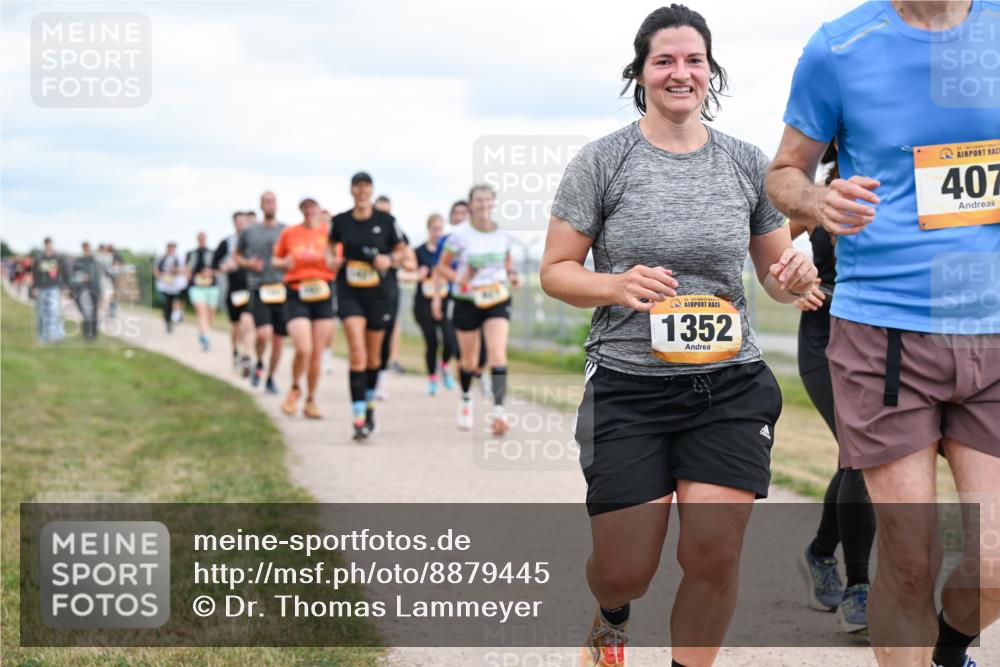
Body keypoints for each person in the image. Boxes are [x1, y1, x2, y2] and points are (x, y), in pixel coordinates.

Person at [539, 6, 818, 666]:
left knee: (713, 552)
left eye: (693, 59)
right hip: (629, 387)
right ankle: (611, 616)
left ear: (711, 72)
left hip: (729, 385)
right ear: (639, 73)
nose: (679, 72)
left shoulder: (746, 163)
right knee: (624, 568)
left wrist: (794, 271)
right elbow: (555, 271)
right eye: (664, 60)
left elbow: (776, 279)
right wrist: (614, 285)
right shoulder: (603, 161)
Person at [766, 2, 999, 665]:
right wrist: (814, 201)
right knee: (907, 559)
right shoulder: (840, 47)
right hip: (883, 330)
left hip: (993, 329)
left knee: (994, 564)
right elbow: (784, 171)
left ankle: (949, 649)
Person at [790, 144, 875, 635]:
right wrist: (793, 281)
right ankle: (858, 587)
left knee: (859, 456)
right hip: (825, 340)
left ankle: (821, 551)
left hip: (879, 339)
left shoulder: (903, 182)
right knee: (860, 456)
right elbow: (770, 241)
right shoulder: (820, 195)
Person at [329, 172, 413, 440]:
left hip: (379, 293)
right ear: (352, 190)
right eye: (358, 187)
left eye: (367, 187)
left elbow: (403, 252)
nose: (362, 192)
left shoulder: (385, 221)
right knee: (357, 350)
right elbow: (329, 246)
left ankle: (369, 407)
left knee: (375, 355)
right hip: (349, 290)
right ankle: (357, 416)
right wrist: (333, 260)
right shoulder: (340, 221)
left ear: (372, 190)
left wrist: (389, 259)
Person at [434, 184, 519, 435]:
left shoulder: (503, 234)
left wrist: (512, 274)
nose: (483, 205)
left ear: (493, 204)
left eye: (488, 200)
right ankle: (466, 399)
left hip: (496, 298)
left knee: (497, 354)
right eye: (479, 200)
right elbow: (441, 267)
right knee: (469, 361)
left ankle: (500, 413)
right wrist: (458, 278)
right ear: (471, 204)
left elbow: (507, 259)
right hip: (467, 301)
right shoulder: (459, 234)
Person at [272, 198, 336, 419]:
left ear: (319, 210)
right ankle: (295, 387)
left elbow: (338, 260)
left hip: (323, 292)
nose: (309, 211)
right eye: (305, 208)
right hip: (296, 292)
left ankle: (311, 400)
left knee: (317, 353)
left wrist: (335, 263)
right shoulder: (290, 233)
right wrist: (284, 264)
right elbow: (275, 260)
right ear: (301, 210)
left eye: (313, 207)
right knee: (304, 348)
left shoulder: (329, 233)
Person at [434, 199, 492, 400]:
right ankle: (465, 394)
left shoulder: (482, 238)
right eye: (455, 213)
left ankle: (480, 371)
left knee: (484, 349)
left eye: (463, 213)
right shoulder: (446, 241)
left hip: (482, 298)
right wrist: (436, 298)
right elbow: (438, 270)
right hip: (456, 298)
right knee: (457, 346)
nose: (459, 216)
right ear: (451, 217)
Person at [235, 191, 287, 394]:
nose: (270, 205)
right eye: (266, 202)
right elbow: (237, 255)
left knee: (278, 339)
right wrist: (248, 263)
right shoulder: (250, 232)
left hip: (281, 289)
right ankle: (259, 363)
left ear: (277, 204)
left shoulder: (286, 231)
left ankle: (271, 378)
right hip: (259, 288)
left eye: (273, 201)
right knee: (263, 333)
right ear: (261, 205)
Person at [373, 194, 414, 398]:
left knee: (386, 333)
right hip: (365, 290)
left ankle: (380, 380)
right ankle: (366, 377)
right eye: (379, 211)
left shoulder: (398, 234)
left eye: (386, 212)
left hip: (389, 289)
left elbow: (410, 261)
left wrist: (393, 261)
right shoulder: (364, 230)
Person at [413, 213, 457, 395]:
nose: (438, 233)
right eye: (434, 229)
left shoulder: (447, 252)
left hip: (445, 300)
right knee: (431, 342)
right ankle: (432, 378)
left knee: (450, 340)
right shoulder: (419, 252)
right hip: (424, 302)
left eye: (441, 229)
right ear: (428, 229)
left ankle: (444, 365)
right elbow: (411, 272)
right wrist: (419, 273)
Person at [213, 211, 256, 375]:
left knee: (248, 322)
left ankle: (247, 356)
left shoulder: (253, 242)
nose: (242, 224)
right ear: (234, 223)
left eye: (245, 221)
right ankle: (235, 351)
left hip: (251, 288)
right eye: (239, 221)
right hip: (235, 289)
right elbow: (215, 263)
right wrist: (225, 266)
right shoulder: (227, 243)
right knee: (236, 326)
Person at [31, 237, 69, 344]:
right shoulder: (38, 259)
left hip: (54, 288)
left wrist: (64, 287)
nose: (49, 247)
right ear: (44, 246)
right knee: (41, 313)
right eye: (47, 245)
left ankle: (56, 336)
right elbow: (35, 275)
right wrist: (34, 287)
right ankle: (42, 337)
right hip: (42, 288)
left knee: (55, 312)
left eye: (51, 245)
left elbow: (64, 273)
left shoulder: (58, 258)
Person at [185, 231, 218, 351]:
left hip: (211, 287)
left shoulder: (212, 253)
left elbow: (218, 268)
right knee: (201, 312)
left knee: (209, 315)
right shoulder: (191, 253)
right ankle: (205, 338)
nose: (202, 240)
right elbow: (187, 268)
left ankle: (203, 332)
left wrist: (210, 272)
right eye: (200, 238)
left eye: (203, 237)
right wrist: (188, 274)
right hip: (197, 287)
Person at [69, 241, 103, 341]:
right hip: (83, 289)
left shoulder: (95, 261)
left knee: (94, 312)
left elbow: (99, 275)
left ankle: (93, 333)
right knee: (86, 312)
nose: (87, 250)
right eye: (85, 248)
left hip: (95, 288)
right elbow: (74, 276)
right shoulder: (78, 261)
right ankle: (87, 333)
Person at [153, 241, 186, 333]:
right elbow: (156, 270)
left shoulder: (179, 257)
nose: (171, 249)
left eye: (172, 247)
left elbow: (184, 269)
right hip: (165, 285)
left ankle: (178, 315)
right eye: (169, 247)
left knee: (178, 301)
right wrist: (161, 275)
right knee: (167, 304)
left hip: (177, 284)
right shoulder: (161, 258)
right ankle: (168, 322)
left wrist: (176, 270)